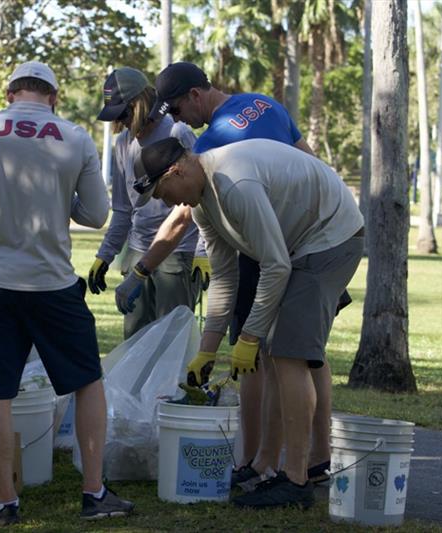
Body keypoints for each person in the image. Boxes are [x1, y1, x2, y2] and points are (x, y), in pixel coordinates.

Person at [0, 61, 135, 525]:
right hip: (51, 282)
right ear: (53, 96)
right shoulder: (73, 137)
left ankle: (5, 503)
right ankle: (93, 493)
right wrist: (57, 195)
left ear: (11, 93)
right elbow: (95, 215)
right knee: (87, 382)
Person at [133, 137, 363, 508]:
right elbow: (225, 277)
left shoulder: (233, 183)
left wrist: (250, 336)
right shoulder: (203, 203)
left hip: (331, 237)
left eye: (163, 191)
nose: (166, 202)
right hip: (298, 245)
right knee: (274, 355)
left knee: (289, 355)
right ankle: (266, 466)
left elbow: (275, 265)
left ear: (176, 170)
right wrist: (207, 352)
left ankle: (297, 482)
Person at [147, 61, 335, 487]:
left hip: (266, 247)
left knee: (260, 355)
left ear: (195, 95)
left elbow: (190, 210)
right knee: (310, 352)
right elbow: (312, 162)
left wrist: (147, 263)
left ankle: (255, 459)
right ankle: (317, 459)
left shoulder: (211, 145)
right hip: (313, 233)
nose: (177, 120)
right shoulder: (263, 103)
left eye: (176, 109)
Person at [87, 67, 199, 337]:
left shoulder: (178, 132)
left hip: (177, 253)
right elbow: (124, 209)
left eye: (124, 114)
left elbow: (200, 196)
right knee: (135, 337)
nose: (123, 123)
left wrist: (203, 252)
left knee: (171, 339)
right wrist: (105, 255)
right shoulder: (123, 143)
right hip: (137, 249)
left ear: (139, 104)